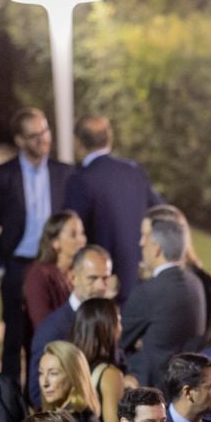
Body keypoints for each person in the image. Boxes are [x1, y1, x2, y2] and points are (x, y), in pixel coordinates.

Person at [0, 107, 74, 379]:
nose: (43, 139)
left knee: (53, 334)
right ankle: (12, 404)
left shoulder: (65, 173)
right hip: (17, 266)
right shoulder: (2, 175)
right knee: (14, 337)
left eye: (45, 131)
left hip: (54, 265)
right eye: (34, 135)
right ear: (19, 140)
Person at [62, 114, 162, 299]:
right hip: (138, 278)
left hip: (99, 283)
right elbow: (162, 212)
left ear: (77, 142)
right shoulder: (134, 171)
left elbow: (69, 233)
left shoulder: (80, 180)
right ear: (109, 137)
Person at [121, 213, 209, 385]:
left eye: (145, 239)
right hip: (188, 381)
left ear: (156, 248)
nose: (141, 243)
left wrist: (143, 343)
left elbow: (120, 340)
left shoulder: (148, 291)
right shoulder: (195, 283)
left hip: (152, 385)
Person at [26, 245, 120, 400]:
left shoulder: (109, 319)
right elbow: (38, 393)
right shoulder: (52, 330)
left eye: (105, 278)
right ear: (73, 278)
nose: (100, 287)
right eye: (93, 278)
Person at [34, 338, 114, 422]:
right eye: (41, 373)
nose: (44, 382)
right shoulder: (58, 417)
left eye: (53, 373)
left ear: (73, 376)